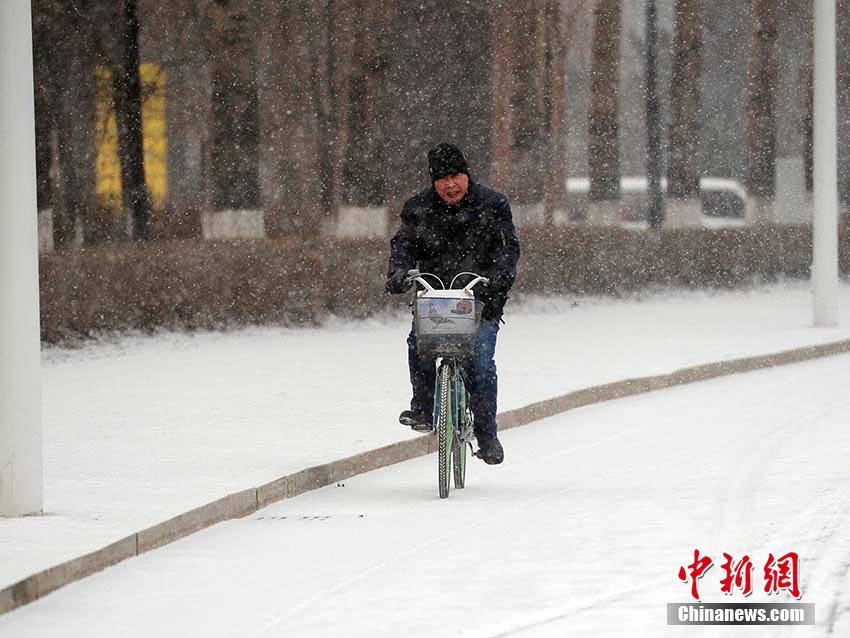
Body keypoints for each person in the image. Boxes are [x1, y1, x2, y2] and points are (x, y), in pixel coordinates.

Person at [385, 142, 520, 465]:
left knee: (481, 364)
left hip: (481, 299)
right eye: (442, 179)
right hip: (435, 299)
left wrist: (498, 279)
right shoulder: (418, 208)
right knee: (418, 345)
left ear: (467, 175)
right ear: (433, 182)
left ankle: (487, 435)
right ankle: (423, 408)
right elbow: (402, 245)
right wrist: (399, 274)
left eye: (456, 176)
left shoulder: (493, 204)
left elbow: (508, 249)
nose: (450, 185)